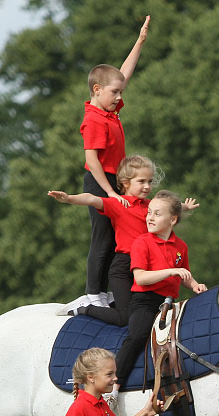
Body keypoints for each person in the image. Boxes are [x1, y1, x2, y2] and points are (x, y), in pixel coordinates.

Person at [48, 155, 199, 325]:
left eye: (150, 181)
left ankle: (114, 301)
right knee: (125, 319)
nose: (147, 186)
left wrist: (183, 207)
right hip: (124, 266)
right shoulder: (120, 204)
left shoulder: (150, 205)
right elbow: (92, 199)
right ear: (126, 183)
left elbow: (167, 207)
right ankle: (85, 308)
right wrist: (68, 198)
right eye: (141, 181)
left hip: (146, 265)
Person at [79, 17, 151, 309]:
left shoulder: (108, 110)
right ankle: (93, 293)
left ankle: (108, 291)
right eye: (114, 93)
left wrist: (140, 42)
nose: (119, 97)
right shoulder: (94, 118)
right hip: (100, 180)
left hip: (113, 181)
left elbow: (122, 74)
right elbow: (91, 159)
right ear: (97, 90)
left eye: (120, 92)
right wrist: (109, 192)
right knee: (103, 239)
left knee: (119, 237)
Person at [109, 191, 206, 404]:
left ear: (172, 219)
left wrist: (195, 285)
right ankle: (113, 387)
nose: (150, 217)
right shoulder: (141, 242)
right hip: (145, 301)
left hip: (170, 304)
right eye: (149, 213)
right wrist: (171, 271)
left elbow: (184, 275)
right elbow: (141, 278)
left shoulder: (181, 246)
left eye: (157, 214)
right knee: (136, 336)